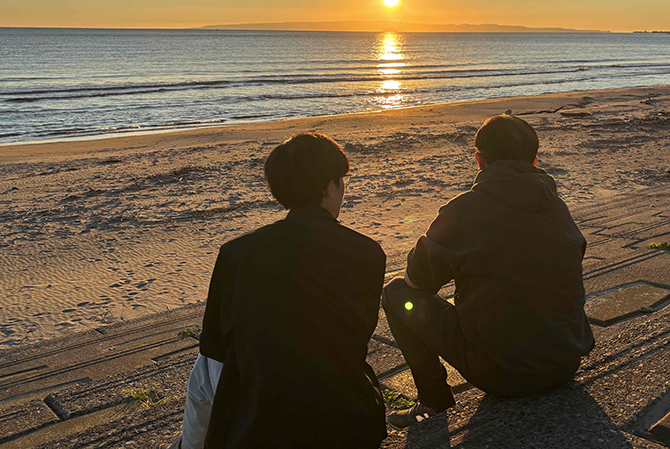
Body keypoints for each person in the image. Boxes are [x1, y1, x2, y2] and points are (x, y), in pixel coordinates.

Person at [162, 133, 387, 449]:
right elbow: (355, 334)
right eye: (341, 181)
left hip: (260, 432)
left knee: (204, 371)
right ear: (330, 186)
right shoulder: (368, 253)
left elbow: (215, 348)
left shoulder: (236, 254)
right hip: (352, 423)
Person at [381, 114, 595, 429]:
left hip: (504, 375)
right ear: (535, 160)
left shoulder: (465, 209)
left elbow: (416, 282)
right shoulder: (557, 206)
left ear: (479, 159)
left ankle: (433, 400)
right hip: (566, 362)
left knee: (396, 294)